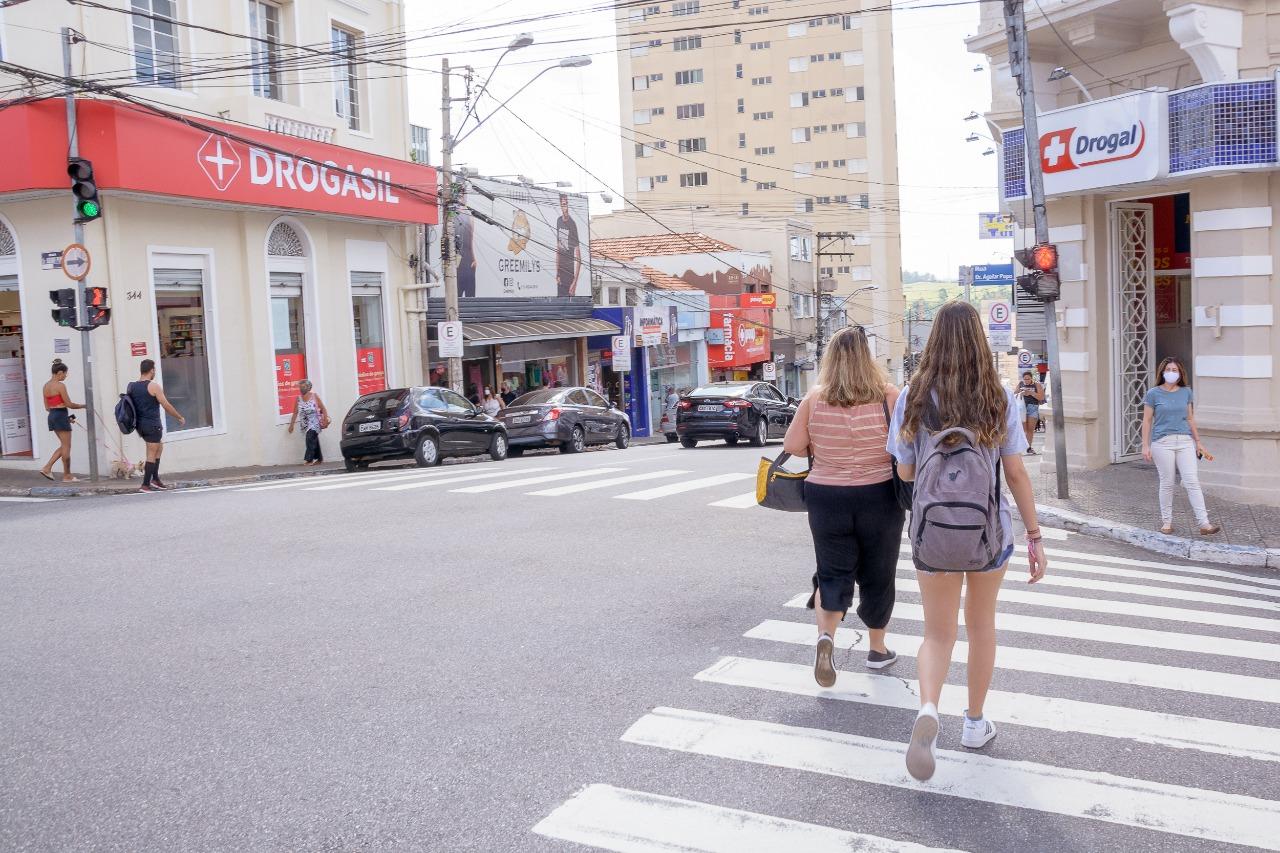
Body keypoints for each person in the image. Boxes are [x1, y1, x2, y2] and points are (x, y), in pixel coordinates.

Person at [888, 301, 1046, 781]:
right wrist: (1035, 535)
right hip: (988, 532)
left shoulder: (913, 396)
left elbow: (905, 470)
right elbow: (1015, 473)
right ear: (979, 340)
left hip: (932, 533)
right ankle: (974, 722)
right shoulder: (997, 395)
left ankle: (929, 706)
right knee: (981, 626)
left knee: (936, 633)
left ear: (933, 341)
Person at [783, 325, 906, 685]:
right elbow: (906, 446)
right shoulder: (889, 397)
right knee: (879, 573)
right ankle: (878, 649)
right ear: (867, 359)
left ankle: (826, 638)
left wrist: (821, 447)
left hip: (826, 496)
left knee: (832, 572)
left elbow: (792, 445)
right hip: (879, 495)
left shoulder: (814, 399)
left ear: (831, 360)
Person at [1141, 357, 1220, 536]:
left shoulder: (1186, 392)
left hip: (1185, 442)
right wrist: (1145, 445)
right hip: (1162, 443)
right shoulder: (1153, 393)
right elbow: (1146, 421)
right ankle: (1167, 523)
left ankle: (1204, 524)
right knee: (1167, 483)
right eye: (1168, 369)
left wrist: (1198, 442)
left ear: (1180, 373)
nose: (1171, 372)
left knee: (1192, 481)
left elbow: (1190, 418)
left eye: (1175, 370)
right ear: (1162, 372)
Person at [128, 359, 184, 492]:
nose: (155, 372)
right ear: (152, 370)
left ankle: (155, 479)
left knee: (159, 447)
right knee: (151, 453)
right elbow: (166, 405)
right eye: (154, 370)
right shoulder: (153, 386)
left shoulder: (132, 386)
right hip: (152, 424)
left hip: (140, 425)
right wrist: (179, 417)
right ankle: (146, 484)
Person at [39, 359, 85, 482]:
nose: (66, 376)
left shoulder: (45, 386)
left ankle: (48, 468)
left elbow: (47, 407)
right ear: (59, 372)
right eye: (65, 373)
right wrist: (84, 406)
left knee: (64, 445)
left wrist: (63, 417)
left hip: (53, 416)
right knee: (66, 446)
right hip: (60, 415)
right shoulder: (60, 386)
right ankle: (66, 475)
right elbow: (69, 404)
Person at [287, 379, 329, 465]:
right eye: (300, 387)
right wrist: (291, 425)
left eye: (303, 387)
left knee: (309, 438)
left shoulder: (314, 396)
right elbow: (295, 413)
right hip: (305, 424)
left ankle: (309, 459)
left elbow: (323, 408)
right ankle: (319, 459)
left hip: (315, 423)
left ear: (309, 387)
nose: (301, 389)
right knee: (313, 440)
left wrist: (325, 419)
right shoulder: (298, 399)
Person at [554, 194, 582, 298]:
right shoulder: (558, 221)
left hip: (570, 276)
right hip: (560, 276)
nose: (564, 208)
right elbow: (558, 249)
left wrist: (575, 282)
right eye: (562, 205)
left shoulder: (572, 224)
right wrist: (557, 273)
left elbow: (579, 257)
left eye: (566, 205)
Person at [1014, 371, 1045, 453]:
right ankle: (1020, 447)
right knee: (1023, 429)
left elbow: (1041, 397)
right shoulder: (1020, 384)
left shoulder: (1036, 385)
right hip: (1022, 408)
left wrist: (1031, 393)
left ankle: (1029, 447)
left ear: (1031, 378)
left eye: (1028, 379)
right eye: (1025, 379)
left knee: (1030, 429)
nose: (1026, 381)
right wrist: (1021, 393)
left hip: (1032, 407)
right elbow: (1014, 395)